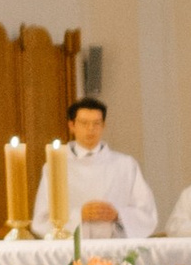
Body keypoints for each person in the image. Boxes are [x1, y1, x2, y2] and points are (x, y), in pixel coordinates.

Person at [32, 95, 157, 241]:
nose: (90, 129)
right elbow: (42, 220)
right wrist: (79, 216)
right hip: (72, 247)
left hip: (115, 246)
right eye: (84, 123)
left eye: (96, 123)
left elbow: (147, 213)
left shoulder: (126, 165)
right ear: (72, 126)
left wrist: (118, 214)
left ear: (103, 126)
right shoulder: (55, 167)